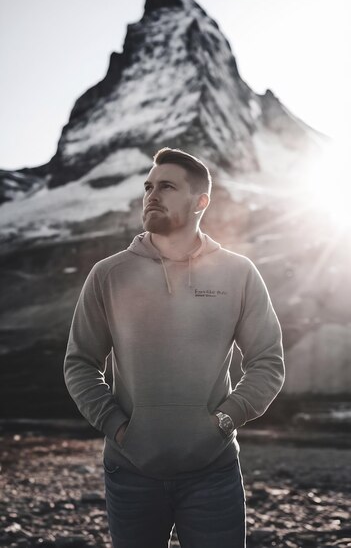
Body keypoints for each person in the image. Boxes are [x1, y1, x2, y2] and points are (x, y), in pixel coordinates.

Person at [64, 147, 285, 548]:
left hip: (213, 472)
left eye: (166, 186)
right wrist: (117, 427)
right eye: (148, 186)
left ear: (200, 201)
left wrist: (224, 421)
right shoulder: (108, 274)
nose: (152, 194)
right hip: (129, 470)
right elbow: (80, 363)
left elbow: (267, 362)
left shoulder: (238, 273)